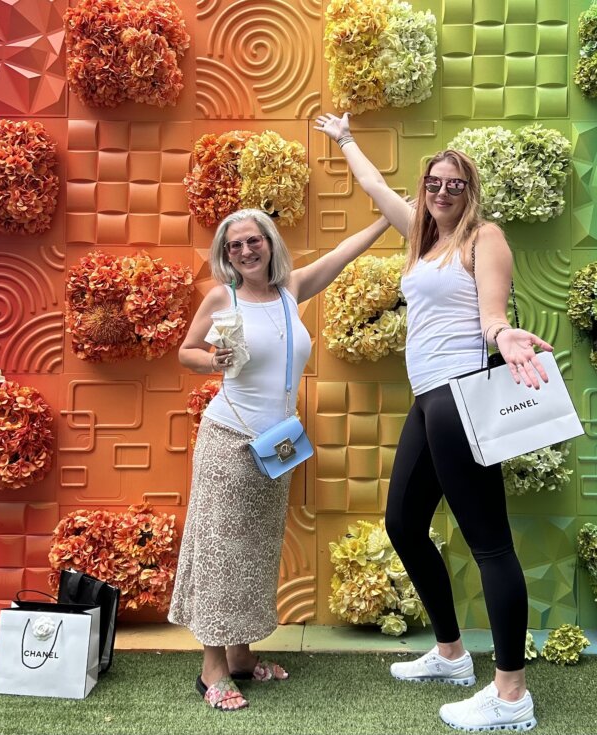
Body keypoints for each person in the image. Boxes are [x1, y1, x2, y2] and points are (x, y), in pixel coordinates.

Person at [315, 112, 552, 733]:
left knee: (491, 544)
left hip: (460, 394)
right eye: (434, 184)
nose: (442, 192)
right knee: (402, 523)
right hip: (427, 401)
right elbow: (376, 190)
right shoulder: (424, 243)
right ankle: (450, 654)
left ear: (470, 194)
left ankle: (510, 696)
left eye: (455, 184)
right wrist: (345, 141)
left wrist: (508, 338)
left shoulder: (484, 239)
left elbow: (491, 315)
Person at [168, 208, 390, 711]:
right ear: (226, 255)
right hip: (229, 440)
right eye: (234, 246)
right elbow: (186, 352)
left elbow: (340, 254)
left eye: (253, 241)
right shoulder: (223, 298)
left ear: (270, 242)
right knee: (221, 554)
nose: (245, 251)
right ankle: (213, 667)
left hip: (276, 445)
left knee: (256, 554)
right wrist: (212, 361)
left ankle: (242, 657)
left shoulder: (291, 290)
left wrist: (383, 220)